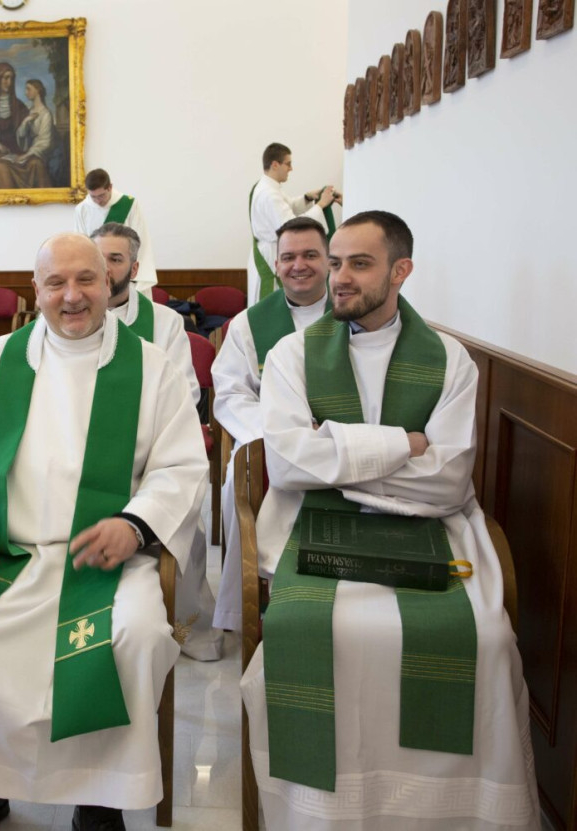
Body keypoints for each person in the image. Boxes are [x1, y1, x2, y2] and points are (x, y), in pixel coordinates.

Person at [0, 233, 208, 831]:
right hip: (3, 552)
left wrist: (135, 525)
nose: (72, 296)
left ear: (109, 283)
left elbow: (180, 468)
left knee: (132, 636)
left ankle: (99, 801)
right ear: (36, 291)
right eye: (56, 283)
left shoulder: (152, 369)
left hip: (105, 561)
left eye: (86, 280)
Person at [240, 211, 539, 830]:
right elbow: (289, 464)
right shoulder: (293, 354)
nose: (339, 277)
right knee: (304, 629)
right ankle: (321, 817)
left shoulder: (449, 360)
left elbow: (449, 479)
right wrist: (406, 444)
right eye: (336, 262)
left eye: (359, 263)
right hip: (314, 527)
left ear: (401, 271)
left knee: (488, 638)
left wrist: (336, 456)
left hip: (431, 531)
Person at [91, 222, 223, 661]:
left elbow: (186, 392)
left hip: (149, 448)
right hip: (85, 449)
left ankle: (186, 626)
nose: (105, 269)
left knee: (179, 514)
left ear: (134, 267)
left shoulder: (164, 322)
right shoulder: (70, 315)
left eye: (115, 259)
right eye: (98, 258)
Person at [211, 217, 331, 631]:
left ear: (329, 260)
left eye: (310, 255)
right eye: (289, 257)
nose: (299, 265)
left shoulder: (354, 314)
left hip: (336, 443)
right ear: (276, 264)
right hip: (269, 442)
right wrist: (280, 432)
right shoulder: (249, 323)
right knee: (238, 479)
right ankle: (248, 599)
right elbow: (230, 393)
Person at [247, 142, 338, 306]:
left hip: (270, 249)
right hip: (269, 257)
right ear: (275, 165)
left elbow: (288, 206)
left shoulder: (268, 187)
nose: (291, 169)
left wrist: (307, 198)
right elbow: (290, 226)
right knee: (271, 304)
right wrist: (321, 205)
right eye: (288, 164)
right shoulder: (269, 193)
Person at [75, 169, 158, 297]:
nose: (97, 201)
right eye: (93, 197)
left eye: (101, 195)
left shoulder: (129, 204)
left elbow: (140, 240)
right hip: (97, 273)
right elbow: (82, 245)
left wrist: (135, 275)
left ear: (110, 187)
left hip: (125, 272)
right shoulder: (82, 209)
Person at [15, 79, 58, 187]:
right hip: (29, 150)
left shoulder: (46, 114)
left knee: (34, 164)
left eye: (28, 89)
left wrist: (27, 155)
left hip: (41, 153)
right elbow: (20, 135)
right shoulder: (29, 111)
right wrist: (25, 122)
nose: (26, 93)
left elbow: (45, 142)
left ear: (37, 90)